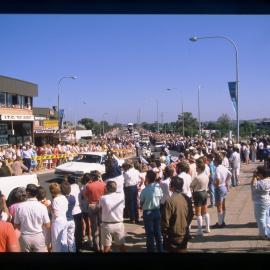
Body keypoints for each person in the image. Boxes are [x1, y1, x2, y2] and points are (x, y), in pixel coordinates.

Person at [14, 184, 50, 252]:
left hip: (25, 237)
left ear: (27, 193)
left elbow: (16, 225)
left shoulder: (19, 207)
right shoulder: (42, 207)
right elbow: (47, 225)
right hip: (38, 236)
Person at [161, 176, 193, 253]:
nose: (169, 185)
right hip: (184, 232)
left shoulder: (170, 201)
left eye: (170, 184)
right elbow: (191, 214)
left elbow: (165, 220)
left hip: (174, 234)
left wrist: (164, 232)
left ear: (173, 186)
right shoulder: (186, 198)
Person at [99, 181, 127, 252]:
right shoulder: (121, 196)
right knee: (121, 246)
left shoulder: (103, 198)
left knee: (106, 247)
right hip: (118, 224)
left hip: (106, 224)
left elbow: (100, 208)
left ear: (107, 188)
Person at [140, 170, 163, 252]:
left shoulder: (144, 190)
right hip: (157, 211)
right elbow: (161, 198)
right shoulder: (158, 187)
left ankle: (151, 250)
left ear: (147, 178)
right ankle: (160, 249)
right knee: (158, 232)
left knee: (150, 233)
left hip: (148, 212)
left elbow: (141, 203)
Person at [84, 170, 106, 252]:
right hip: (101, 205)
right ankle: (102, 245)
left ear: (93, 177)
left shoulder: (89, 186)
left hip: (92, 205)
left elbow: (85, 196)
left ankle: (96, 246)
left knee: (94, 227)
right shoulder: (103, 184)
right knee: (101, 225)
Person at [190, 159, 210, 236]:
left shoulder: (197, 177)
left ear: (200, 168)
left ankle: (200, 230)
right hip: (205, 192)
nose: (196, 169)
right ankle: (207, 227)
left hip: (198, 193)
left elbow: (191, 185)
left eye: (197, 168)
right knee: (205, 211)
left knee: (198, 213)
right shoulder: (206, 176)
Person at [212, 155, 232, 228]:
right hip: (224, 187)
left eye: (214, 161)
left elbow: (218, 178)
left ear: (216, 161)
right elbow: (230, 174)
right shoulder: (223, 167)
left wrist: (216, 185)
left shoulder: (217, 168)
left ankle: (220, 223)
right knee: (223, 205)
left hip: (219, 187)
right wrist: (226, 181)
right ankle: (222, 220)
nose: (213, 162)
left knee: (219, 206)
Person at [251, 166, 270, 239]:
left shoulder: (260, 183)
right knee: (267, 217)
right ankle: (267, 233)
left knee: (260, 218)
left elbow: (253, 185)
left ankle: (262, 234)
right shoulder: (268, 180)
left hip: (260, 201)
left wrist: (254, 176)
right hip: (267, 200)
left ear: (261, 174)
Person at [49, 183, 68, 252]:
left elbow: (56, 214)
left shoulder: (55, 200)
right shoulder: (64, 197)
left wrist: (50, 208)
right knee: (64, 241)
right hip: (64, 220)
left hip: (57, 222)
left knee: (56, 242)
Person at [67, 175, 83, 252]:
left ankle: (74, 246)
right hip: (79, 210)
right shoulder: (77, 186)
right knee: (79, 229)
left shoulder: (69, 188)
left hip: (72, 211)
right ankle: (79, 244)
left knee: (73, 231)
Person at [61, 181, 76, 252]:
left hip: (64, 220)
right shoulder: (72, 198)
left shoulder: (60, 199)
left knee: (63, 239)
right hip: (71, 219)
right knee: (71, 238)